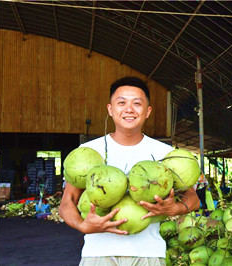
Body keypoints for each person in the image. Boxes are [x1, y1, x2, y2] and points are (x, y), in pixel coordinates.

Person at [59, 77, 200, 265]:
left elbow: (193, 199)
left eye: (137, 103)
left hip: (148, 254)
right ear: (110, 109)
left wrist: (174, 208)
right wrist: (82, 225)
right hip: (98, 254)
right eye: (122, 102)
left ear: (148, 111)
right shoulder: (90, 152)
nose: (129, 109)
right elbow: (67, 202)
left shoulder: (166, 154)